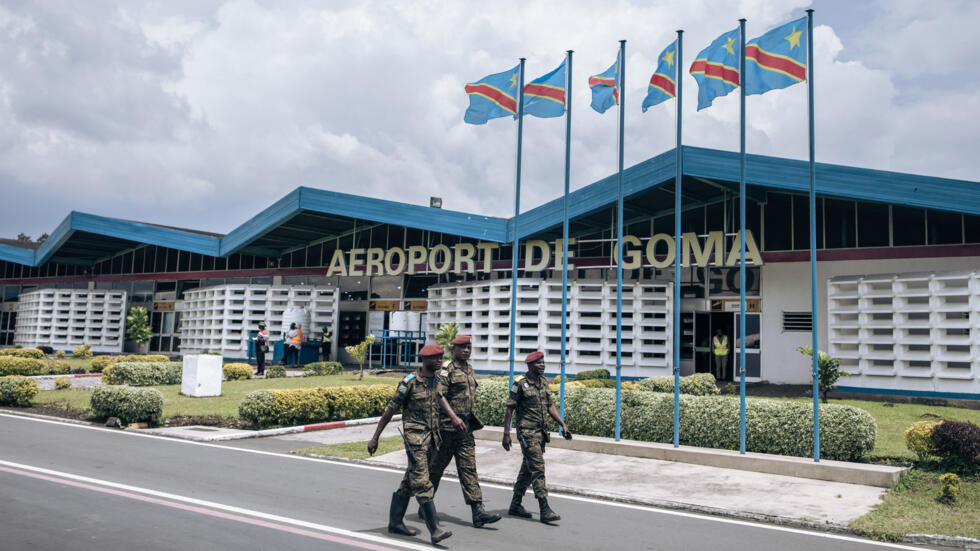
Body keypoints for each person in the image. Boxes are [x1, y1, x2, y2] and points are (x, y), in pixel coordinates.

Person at [368, 344, 465, 544]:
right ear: (424, 360)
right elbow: (390, 410)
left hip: (432, 438)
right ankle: (435, 529)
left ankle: (395, 523)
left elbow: (441, 400)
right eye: (435, 358)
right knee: (422, 481)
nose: (439, 360)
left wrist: (454, 418)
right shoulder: (409, 382)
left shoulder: (437, 380)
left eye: (441, 357)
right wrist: (375, 437)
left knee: (409, 481)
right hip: (415, 439)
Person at [425, 335, 501, 528]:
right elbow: (439, 394)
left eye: (469, 347)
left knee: (469, 469)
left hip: (465, 429)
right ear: (455, 349)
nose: (466, 350)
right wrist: (453, 417)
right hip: (446, 429)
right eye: (462, 347)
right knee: (435, 470)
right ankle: (425, 506)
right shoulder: (446, 370)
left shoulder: (469, 369)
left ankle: (478, 512)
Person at [502, 350, 572, 524]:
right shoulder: (519, 384)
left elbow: (550, 406)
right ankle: (544, 508)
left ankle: (515, 505)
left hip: (540, 433)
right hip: (526, 433)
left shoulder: (543, 382)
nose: (542, 365)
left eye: (543, 362)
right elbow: (510, 408)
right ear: (530, 365)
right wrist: (506, 434)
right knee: (538, 468)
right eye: (539, 363)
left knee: (527, 469)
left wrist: (562, 424)